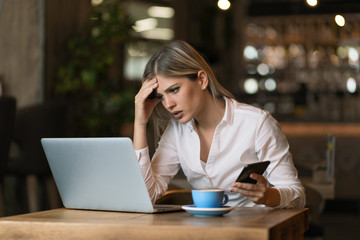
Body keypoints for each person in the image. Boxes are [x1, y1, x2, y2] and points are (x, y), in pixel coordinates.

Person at [133, 40, 305, 208]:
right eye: (161, 97)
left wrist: (268, 196)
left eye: (174, 90)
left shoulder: (257, 123)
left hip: (255, 230)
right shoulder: (176, 131)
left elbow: (297, 196)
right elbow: (146, 197)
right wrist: (140, 122)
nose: (168, 104)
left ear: (201, 80)